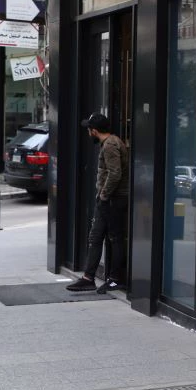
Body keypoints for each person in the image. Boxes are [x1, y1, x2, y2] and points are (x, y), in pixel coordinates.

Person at [66, 113, 130, 294]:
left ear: (94, 131)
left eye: (89, 129)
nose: (88, 132)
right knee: (95, 238)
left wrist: (104, 195)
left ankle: (116, 279)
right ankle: (88, 278)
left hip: (113, 199)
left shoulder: (110, 145)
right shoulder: (112, 142)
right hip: (109, 199)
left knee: (115, 238)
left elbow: (115, 173)